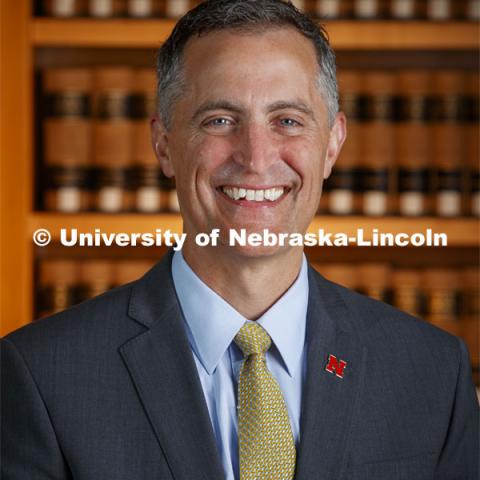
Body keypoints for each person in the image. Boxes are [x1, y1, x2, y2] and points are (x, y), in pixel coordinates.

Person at [2, 1, 478, 479]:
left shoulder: (432, 371)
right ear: (164, 144)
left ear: (332, 144)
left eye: (287, 120)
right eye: (220, 121)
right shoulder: (43, 376)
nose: (255, 157)